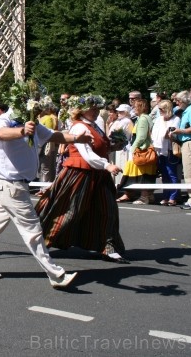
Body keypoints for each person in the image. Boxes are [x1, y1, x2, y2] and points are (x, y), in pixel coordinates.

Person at [0, 84, 82, 288]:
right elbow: (1, 134)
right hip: (12, 186)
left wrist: (77, 138)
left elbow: (53, 135)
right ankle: (56, 275)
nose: (39, 109)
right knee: (33, 231)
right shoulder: (6, 120)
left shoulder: (33, 122)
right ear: (21, 102)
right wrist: (21, 130)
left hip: (14, 186)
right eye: (36, 103)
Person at [36, 95, 128, 264]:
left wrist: (115, 146)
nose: (94, 112)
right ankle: (43, 242)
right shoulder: (78, 128)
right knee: (70, 211)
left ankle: (108, 247)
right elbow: (87, 154)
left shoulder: (95, 126)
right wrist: (107, 165)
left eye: (96, 109)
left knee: (108, 211)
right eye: (91, 109)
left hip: (99, 175)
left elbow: (99, 148)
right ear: (81, 110)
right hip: (80, 174)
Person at [118, 98, 157, 205]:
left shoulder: (143, 119)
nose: (133, 109)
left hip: (142, 150)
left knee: (142, 174)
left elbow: (141, 137)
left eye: (135, 107)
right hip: (142, 149)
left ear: (141, 107)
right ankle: (148, 195)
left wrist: (133, 148)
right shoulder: (143, 118)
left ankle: (144, 196)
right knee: (144, 174)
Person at [170, 90, 191, 210]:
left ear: (184, 101)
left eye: (178, 101)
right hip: (186, 143)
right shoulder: (186, 112)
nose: (176, 103)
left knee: (190, 172)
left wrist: (180, 131)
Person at [151, 100, 181, 206]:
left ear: (167, 109)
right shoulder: (159, 120)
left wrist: (169, 134)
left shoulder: (176, 119)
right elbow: (154, 132)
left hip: (170, 149)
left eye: (161, 109)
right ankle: (166, 196)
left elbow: (172, 132)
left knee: (172, 173)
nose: (160, 111)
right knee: (164, 174)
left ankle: (173, 196)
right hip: (160, 150)